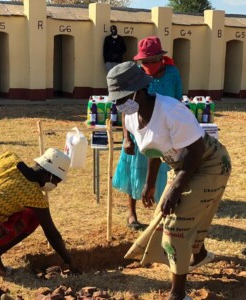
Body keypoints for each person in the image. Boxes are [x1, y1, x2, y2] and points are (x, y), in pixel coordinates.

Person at [107, 62, 231, 300]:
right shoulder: (132, 117)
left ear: (139, 91)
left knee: (175, 223)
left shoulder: (170, 110)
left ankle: (178, 293)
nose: (117, 104)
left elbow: (194, 151)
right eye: (115, 99)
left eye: (121, 98)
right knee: (166, 215)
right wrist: (150, 184)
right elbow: (154, 150)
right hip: (181, 164)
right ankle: (199, 255)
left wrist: (174, 188)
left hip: (209, 163)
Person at [0, 148, 81, 276]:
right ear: (49, 175)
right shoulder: (34, 195)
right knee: (33, 216)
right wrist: (69, 261)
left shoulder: (8, 158)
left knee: (14, 211)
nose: (56, 186)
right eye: (57, 181)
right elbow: (52, 234)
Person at [112, 36, 182, 231]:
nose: (148, 66)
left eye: (152, 61)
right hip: (137, 132)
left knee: (161, 174)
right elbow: (126, 108)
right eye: (144, 62)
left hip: (163, 134)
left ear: (161, 59)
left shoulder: (173, 74)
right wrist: (126, 138)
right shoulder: (136, 76)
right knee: (134, 172)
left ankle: (159, 214)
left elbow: (177, 103)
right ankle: (131, 214)